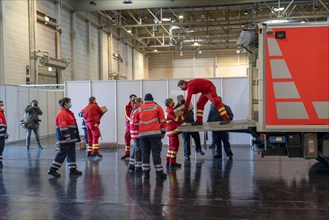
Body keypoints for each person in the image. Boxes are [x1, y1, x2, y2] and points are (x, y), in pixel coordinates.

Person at [134, 93, 167, 180]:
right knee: (156, 153)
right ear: (152, 99)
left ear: (144, 100)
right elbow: (163, 120)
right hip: (155, 134)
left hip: (143, 135)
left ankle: (146, 174)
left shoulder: (139, 109)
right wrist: (163, 132)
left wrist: (141, 128)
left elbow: (135, 123)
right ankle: (159, 173)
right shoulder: (157, 107)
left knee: (145, 153)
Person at [48, 97, 82, 177]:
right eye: (69, 102)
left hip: (70, 138)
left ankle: (73, 170)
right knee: (62, 153)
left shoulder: (67, 112)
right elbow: (63, 125)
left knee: (71, 153)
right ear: (66, 103)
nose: (70, 104)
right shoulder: (62, 113)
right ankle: (52, 169)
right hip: (66, 138)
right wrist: (67, 136)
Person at [175, 95, 205, 160]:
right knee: (186, 140)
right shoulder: (176, 108)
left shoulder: (187, 104)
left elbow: (192, 112)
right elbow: (176, 118)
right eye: (182, 100)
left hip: (192, 124)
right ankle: (186, 155)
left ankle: (198, 150)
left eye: (183, 99)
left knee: (197, 137)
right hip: (184, 126)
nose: (183, 101)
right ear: (178, 100)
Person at [165, 98, 185, 168]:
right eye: (172, 102)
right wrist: (183, 116)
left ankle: (168, 161)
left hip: (169, 130)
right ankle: (172, 163)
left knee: (170, 147)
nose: (173, 103)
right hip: (172, 129)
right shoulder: (170, 110)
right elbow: (176, 119)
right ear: (170, 103)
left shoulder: (168, 109)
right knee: (175, 146)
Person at [128, 97, 143, 172]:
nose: (142, 103)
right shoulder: (138, 110)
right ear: (139, 102)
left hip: (133, 132)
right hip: (137, 132)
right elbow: (137, 122)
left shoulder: (133, 109)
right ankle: (138, 166)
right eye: (142, 102)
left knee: (135, 148)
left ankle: (131, 164)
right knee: (138, 149)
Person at [121, 94, 137, 160]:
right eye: (133, 99)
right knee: (127, 138)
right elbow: (127, 115)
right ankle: (127, 153)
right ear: (130, 99)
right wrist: (132, 121)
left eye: (135, 99)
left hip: (136, 125)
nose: (134, 100)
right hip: (129, 125)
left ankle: (136, 154)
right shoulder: (127, 106)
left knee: (137, 140)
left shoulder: (138, 106)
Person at [0, 100, 9, 168]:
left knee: (1, 147)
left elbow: (3, 121)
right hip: (1, 130)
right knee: (1, 147)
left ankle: (0, 161)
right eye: (1, 103)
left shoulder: (2, 111)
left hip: (2, 130)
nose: (2, 104)